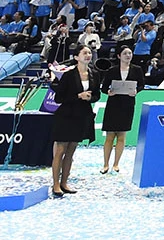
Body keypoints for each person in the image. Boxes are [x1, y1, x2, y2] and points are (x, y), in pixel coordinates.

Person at [50, 45, 100, 197]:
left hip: (82, 116)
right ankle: (55, 184)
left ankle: (64, 182)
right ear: (76, 57)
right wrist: (78, 96)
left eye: (89, 52)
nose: (88, 55)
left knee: (71, 152)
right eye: (84, 53)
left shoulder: (94, 74)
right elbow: (59, 98)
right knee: (60, 151)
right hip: (66, 116)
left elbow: (97, 95)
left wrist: (90, 98)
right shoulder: (69, 75)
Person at [100, 45, 143, 174]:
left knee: (121, 136)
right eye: (125, 53)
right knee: (109, 136)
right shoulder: (112, 70)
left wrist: (136, 91)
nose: (128, 55)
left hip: (127, 104)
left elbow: (141, 85)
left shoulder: (137, 69)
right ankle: (105, 164)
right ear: (119, 56)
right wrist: (108, 92)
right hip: (113, 104)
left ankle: (116, 164)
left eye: (130, 53)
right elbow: (104, 88)